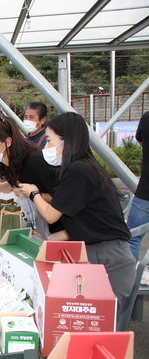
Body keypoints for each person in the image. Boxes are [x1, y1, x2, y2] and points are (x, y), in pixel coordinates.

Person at [19, 112, 136, 317]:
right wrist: (44, 240)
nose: (45, 148)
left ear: (67, 140)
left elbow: (51, 215)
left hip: (109, 259)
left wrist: (34, 193)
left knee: (100, 325)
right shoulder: (81, 168)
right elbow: (83, 223)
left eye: (49, 140)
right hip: (101, 252)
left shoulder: (78, 171)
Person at [0, 113, 59, 237]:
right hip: (35, 229)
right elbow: (16, 185)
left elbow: (58, 198)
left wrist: (31, 194)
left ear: (7, 142)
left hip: (53, 233)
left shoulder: (34, 162)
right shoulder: (7, 162)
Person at [127, 111, 149, 261]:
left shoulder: (147, 117)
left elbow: (140, 140)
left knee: (133, 239)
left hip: (145, 194)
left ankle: (130, 280)